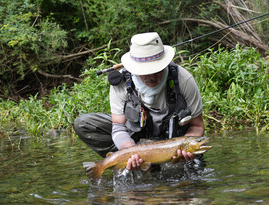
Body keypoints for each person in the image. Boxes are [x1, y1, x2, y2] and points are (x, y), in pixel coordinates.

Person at [74, 32, 204, 171]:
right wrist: (130, 151)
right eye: (146, 72)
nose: (152, 76)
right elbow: (118, 126)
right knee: (84, 123)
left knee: (192, 182)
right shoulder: (121, 83)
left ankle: (169, 166)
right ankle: (121, 163)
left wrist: (185, 148)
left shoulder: (183, 79)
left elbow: (197, 126)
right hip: (135, 143)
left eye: (157, 69)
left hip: (172, 147)